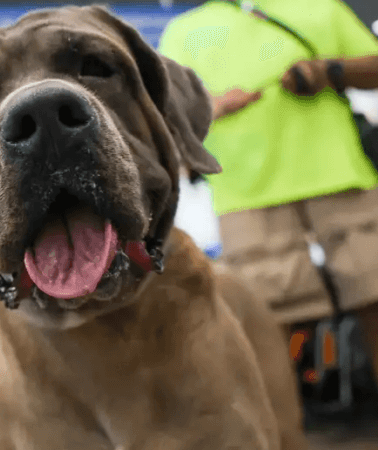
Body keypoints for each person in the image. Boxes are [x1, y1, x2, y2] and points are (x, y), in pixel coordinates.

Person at [158, 0, 378, 379]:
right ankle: (280, 433)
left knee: (374, 296)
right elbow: (164, 109)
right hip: (246, 194)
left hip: (340, 179)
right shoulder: (183, 30)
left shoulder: (322, 7)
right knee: (263, 323)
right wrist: (213, 106)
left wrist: (328, 72)